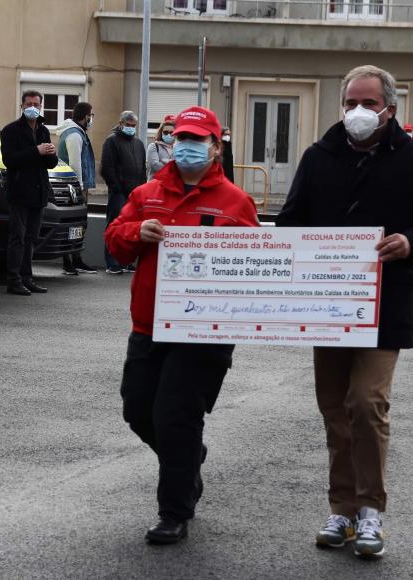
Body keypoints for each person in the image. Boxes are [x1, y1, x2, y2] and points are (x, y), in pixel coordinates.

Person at [275, 65, 413, 558]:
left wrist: (410, 243)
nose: (358, 112)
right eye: (351, 102)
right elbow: (292, 222)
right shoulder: (318, 157)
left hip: (387, 304)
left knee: (366, 403)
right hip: (326, 306)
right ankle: (342, 509)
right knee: (335, 410)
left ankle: (371, 511)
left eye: (369, 104)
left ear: (390, 109)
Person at [105, 106, 259, 545]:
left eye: (197, 139)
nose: (186, 145)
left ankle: (174, 511)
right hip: (149, 324)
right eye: (180, 137)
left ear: (216, 147)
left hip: (203, 334)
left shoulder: (236, 203)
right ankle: (188, 460)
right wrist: (137, 232)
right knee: (138, 410)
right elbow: (115, 246)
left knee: (175, 417)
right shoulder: (148, 193)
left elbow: (256, 267)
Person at [0, 90, 59, 295]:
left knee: (32, 237)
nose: (32, 107)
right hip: (19, 192)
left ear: (41, 107)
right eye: (28, 104)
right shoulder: (10, 131)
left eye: (36, 104)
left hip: (39, 191)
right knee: (18, 237)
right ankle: (13, 279)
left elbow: (50, 164)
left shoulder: (43, 130)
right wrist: (37, 151)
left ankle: (27, 277)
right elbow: (9, 160)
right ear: (22, 106)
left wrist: (51, 153)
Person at [101, 110, 146, 274]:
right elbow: (106, 167)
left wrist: (142, 189)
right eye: (128, 125)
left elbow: (142, 169)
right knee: (115, 226)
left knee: (130, 228)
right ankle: (112, 262)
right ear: (121, 124)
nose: (131, 128)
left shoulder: (139, 144)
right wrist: (116, 187)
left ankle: (125, 261)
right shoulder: (111, 141)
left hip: (134, 193)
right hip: (119, 193)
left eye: (133, 126)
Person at [56, 102, 98, 276]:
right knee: (73, 225)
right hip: (74, 188)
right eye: (91, 115)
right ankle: (69, 262)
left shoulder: (77, 133)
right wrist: (79, 187)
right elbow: (75, 164)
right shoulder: (74, 135)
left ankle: (76, 259)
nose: (91, 119)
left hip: (75, 187)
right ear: (85, 116)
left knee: (78, 226)